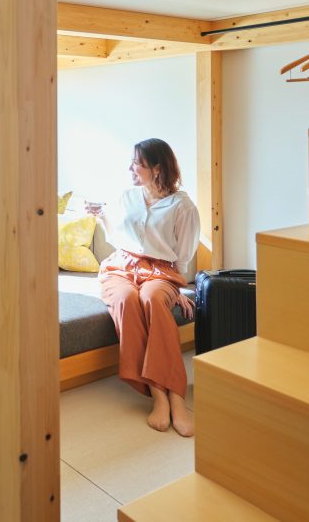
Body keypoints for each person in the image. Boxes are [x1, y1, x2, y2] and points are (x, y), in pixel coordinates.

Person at [89, 139, 201, 437]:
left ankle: (176, 398)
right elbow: (116, 234)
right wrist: (99, 215)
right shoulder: (127, 197)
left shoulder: (183, 207)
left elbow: (184, 255)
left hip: (161, 270)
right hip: (122, 265)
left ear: (157, 168)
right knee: (126, 299)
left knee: (152, 298)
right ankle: (159, 395)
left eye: (137, 164)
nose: (130, 169)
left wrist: (177, 290)